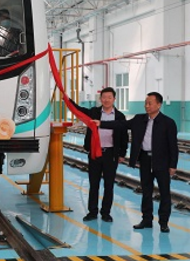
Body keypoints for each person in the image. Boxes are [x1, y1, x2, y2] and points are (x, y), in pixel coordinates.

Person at [97, 91, 178, 232]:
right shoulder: (139, 119)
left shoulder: (168, 123)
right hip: (145, 159)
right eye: (145, 103)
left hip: (162, 161)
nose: (147, 106)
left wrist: (173, 165)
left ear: (159, 105)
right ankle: (146, 220)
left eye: (150, 103)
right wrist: (101, 123)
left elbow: (173, 146)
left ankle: (163, 223)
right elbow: (121, 124)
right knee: (146, 191)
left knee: (164, 193)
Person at [68, 88, 128, 222]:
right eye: (104, 97)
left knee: (109, 185)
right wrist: (68, 100)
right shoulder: (94, 112)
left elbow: (124, 137)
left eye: (109, 97)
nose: (106, 100)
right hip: (95, 153)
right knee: (94, 184)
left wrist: (122, 154)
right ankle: (92, 212)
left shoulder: (119, 116)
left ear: (114, 99)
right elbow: (79, 110)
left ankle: (106, 213)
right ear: (100, 99)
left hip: (111, 154)